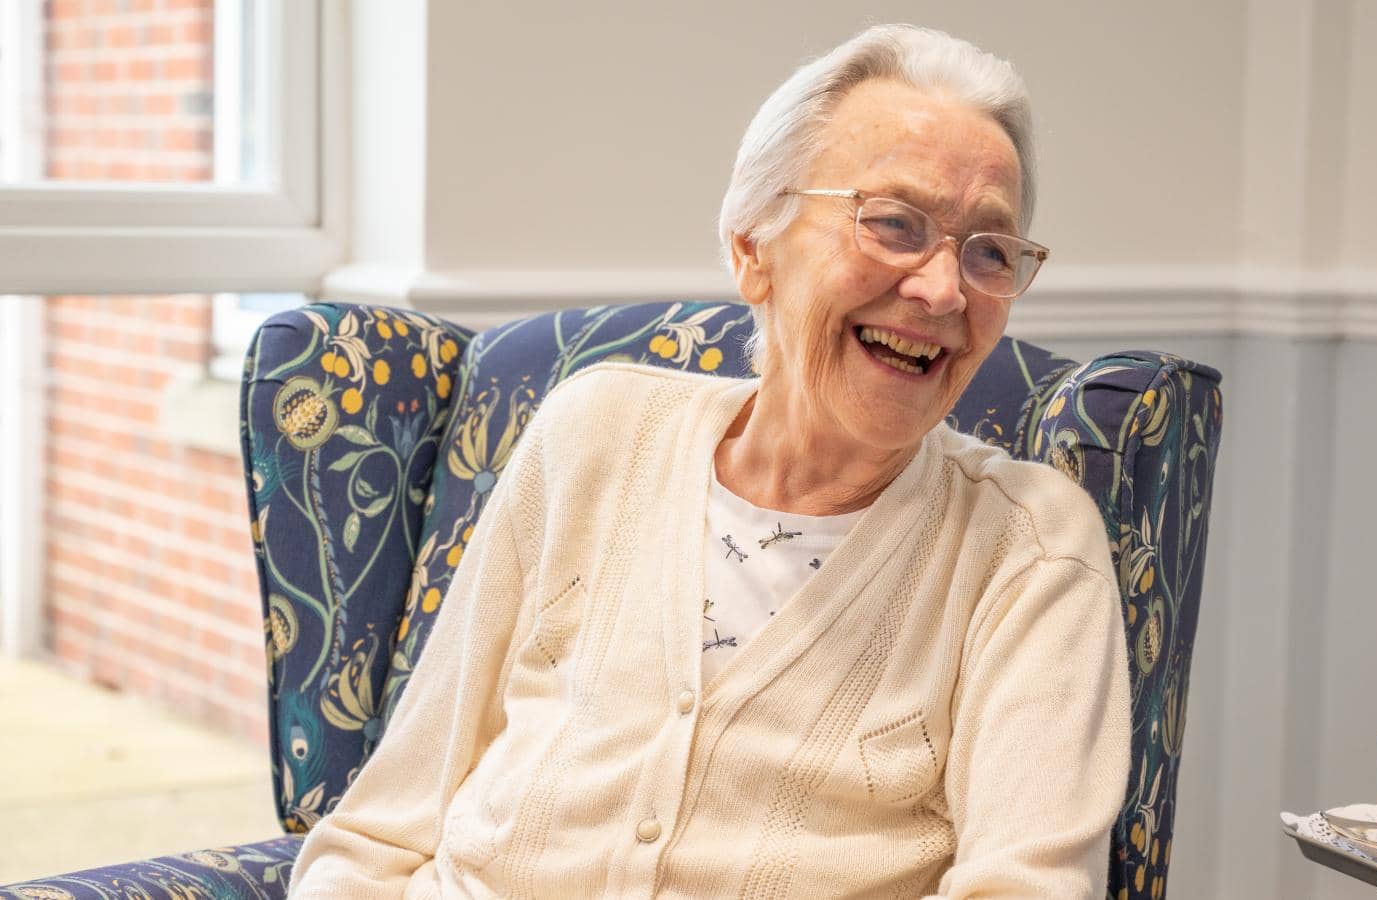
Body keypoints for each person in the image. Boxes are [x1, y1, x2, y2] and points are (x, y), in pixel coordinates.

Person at [288, 24, 1129, 898]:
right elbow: (383, 830)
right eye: (893, 223)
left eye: (990, 251)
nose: (944, 290)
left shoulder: (1028, 552)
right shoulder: (594, 433)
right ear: (751, 248)